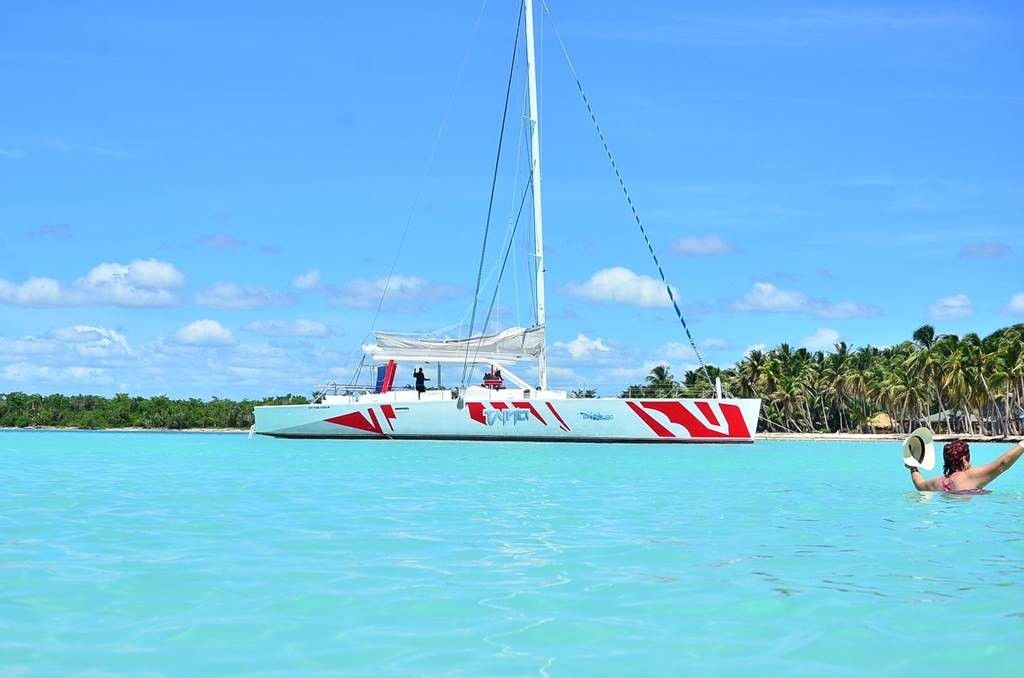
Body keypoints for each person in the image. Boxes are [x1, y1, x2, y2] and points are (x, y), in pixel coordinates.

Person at [907, 439, 1024, 492]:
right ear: (964, 460)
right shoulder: (970, 476)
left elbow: (919, 484)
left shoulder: (937, 482)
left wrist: (913, 467)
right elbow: (1002, 464)